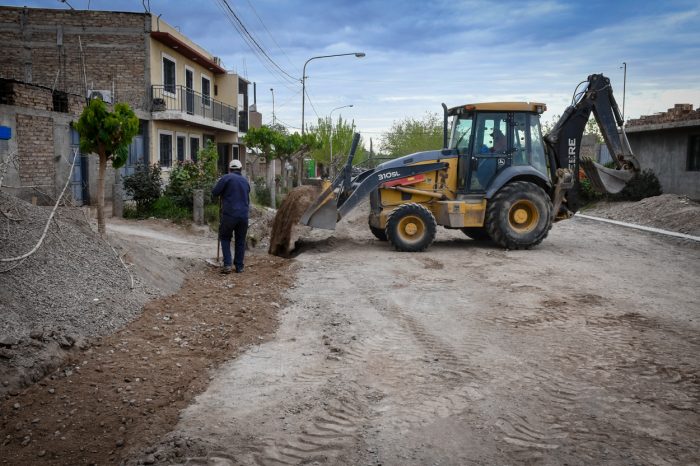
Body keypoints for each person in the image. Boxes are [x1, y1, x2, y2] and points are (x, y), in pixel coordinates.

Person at [212, 159, 250, 274]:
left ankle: (227, 264)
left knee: (224, 238)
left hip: (229, 215)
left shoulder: (226, 178)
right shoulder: (245, 181)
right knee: (240, 240)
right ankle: (239, 267)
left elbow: (214, 192)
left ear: (229, 169)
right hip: (243, 216)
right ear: (240, 169)